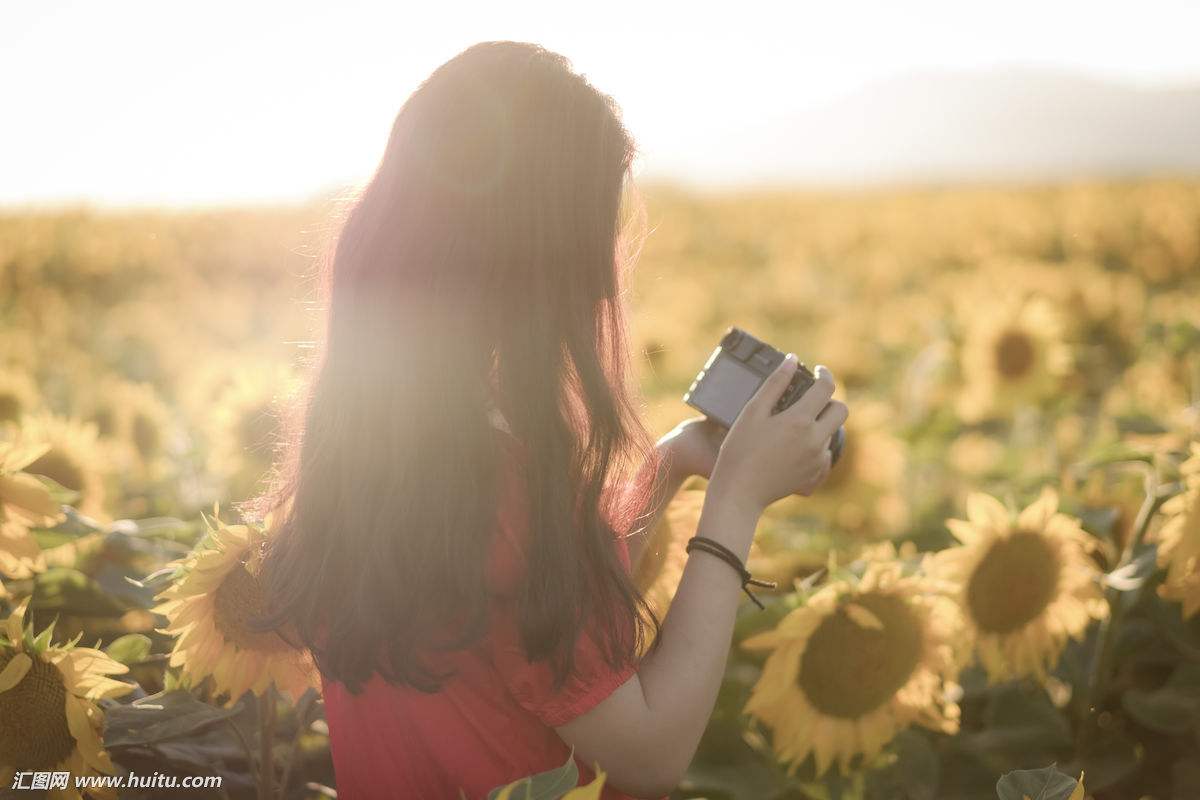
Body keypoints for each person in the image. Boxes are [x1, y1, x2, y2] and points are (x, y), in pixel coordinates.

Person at [255, 40, 847, 800]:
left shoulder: (375, 448)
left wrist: (667, 468)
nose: (604, 281)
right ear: (530, 256)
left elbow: (512, 620)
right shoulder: (511, 493)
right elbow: (651, 753)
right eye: (589, 235)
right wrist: (736, 501)